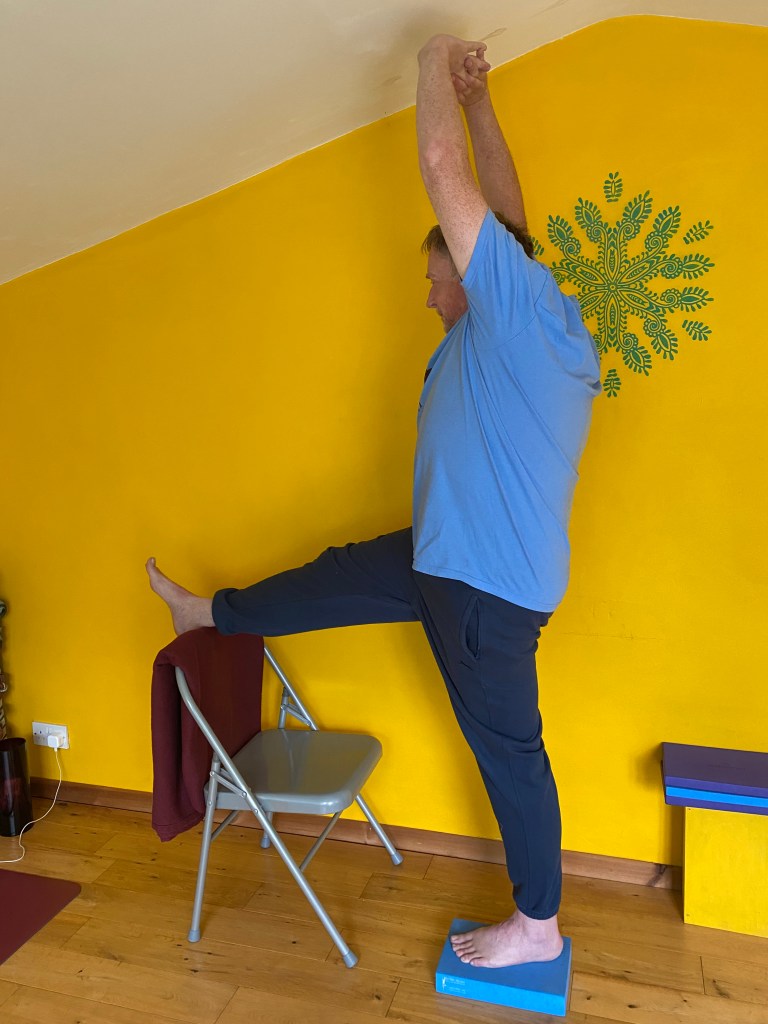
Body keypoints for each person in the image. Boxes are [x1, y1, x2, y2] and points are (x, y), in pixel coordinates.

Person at [147, 34, 601, 969]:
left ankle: (538, 924)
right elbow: (509, 221)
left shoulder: (511, 315)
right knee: (333, 577)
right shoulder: (540, 310)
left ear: (477, 284)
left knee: (511, 755)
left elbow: (445, 176)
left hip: (483, 590)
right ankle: (212, 611)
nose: (432, 293)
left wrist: (434, 57)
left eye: (438, 278)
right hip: (447, 556)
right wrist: (480, 105)